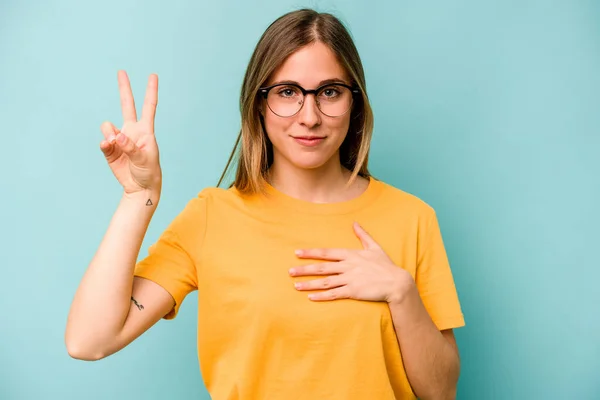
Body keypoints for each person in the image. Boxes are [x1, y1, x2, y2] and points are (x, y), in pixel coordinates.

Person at [65, 8, 465, 400]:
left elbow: (441, 392)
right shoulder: (211, 217)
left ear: (354, 102)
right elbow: (89, 340)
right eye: (288, 92)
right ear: (258, 102)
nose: (310, 116)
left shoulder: (412, 218)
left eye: (329, 92)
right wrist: (139, 197)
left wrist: (401, 292)